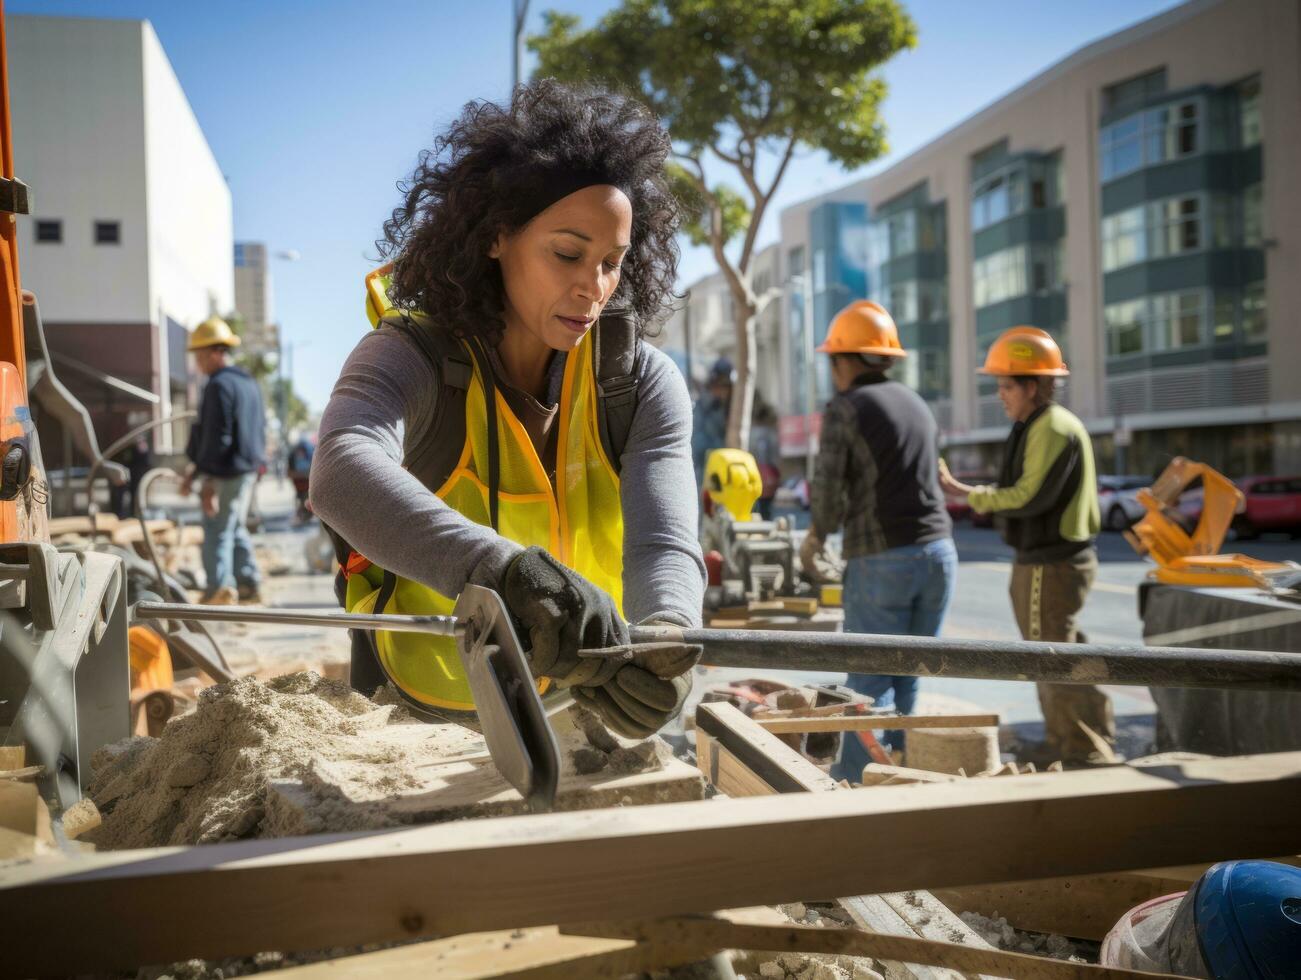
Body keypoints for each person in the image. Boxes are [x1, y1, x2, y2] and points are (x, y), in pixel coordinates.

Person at [310, 79, 705, 738]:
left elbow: (663, 544)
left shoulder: (637, 383)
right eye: (567, 253)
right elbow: (340, 471)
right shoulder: (411, 355)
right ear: (497, 237)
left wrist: (666, 643)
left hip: (584, 717)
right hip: (414, 722)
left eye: (613, 261)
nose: (594, 286)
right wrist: (508, 573)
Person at [939, 326, 1111, 765]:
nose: (1001, 396)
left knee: (1048, 656)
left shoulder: (1051, 426)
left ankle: (1076, 748)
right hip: (1056, 561)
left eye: (1007, 386)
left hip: (1050, 563)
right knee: (1065, 652)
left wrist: (965, 491)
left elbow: (1029, 495)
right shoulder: (1046, 424)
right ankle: (1086, 742)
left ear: (1032, 386)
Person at [803, 301, 956, 780]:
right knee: (910, 671)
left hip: (882, 558)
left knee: (869, 679)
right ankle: (903, 775)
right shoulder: (917, 404)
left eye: (833, 361)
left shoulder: (846, 408)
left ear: (846, 360)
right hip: (940, 554)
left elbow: (827, 488)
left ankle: (857, 783)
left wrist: (814, 539)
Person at [181, 316, 267, 605]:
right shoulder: (247, 383)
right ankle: (248, 582)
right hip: (245, 469)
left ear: (217, 352)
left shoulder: (218, 385)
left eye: (201, 356)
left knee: (217, 528)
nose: (198, 364)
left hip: (224, 471)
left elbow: (218, 438)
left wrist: (207, 480)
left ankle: (219, 588)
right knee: (233, 525)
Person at [691, 357, 734, 487]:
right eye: (722, 385)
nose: (725, 391)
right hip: (709, 473)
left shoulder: (728, 406)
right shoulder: (705, 408)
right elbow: (698, 446)